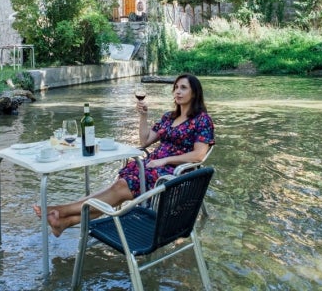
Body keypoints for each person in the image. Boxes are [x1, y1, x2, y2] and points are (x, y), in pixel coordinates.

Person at [34, 73, 215, 237]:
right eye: (175, 87)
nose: (178, 91)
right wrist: (143, 116)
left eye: (183, 88)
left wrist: (164, 160)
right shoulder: (169, 117)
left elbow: (199, 155)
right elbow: (145, 141)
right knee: (117, 190)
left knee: (119, 187)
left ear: (195, 93)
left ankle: (60, 210)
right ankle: (65, 221)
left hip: (174, 174)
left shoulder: (202, 120)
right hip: (153, 165)